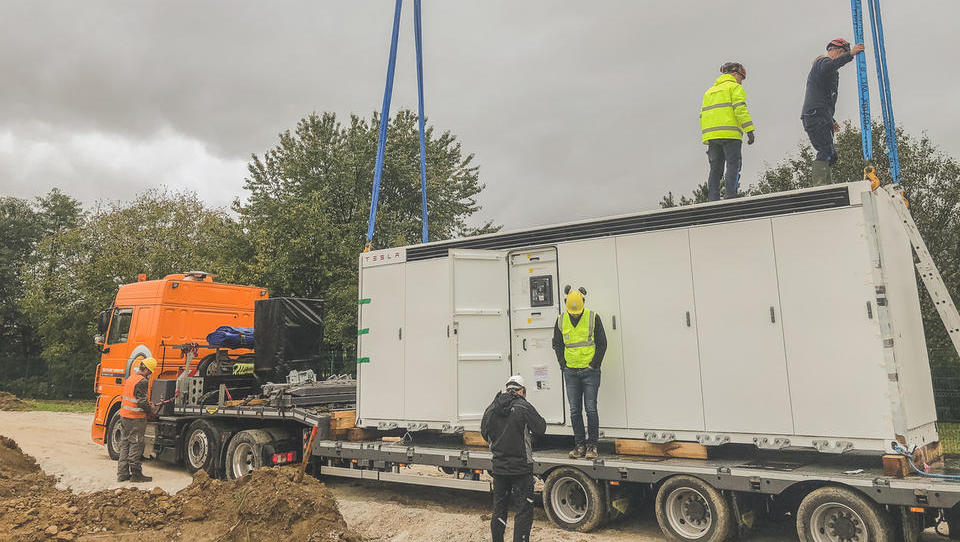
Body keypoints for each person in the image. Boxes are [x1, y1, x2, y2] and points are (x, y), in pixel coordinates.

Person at [481, 375, 547, 542]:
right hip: (521, 468)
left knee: (499, 510)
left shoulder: (492, 408)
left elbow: (484, 432)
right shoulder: (523, 406)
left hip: (499, 468)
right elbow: (540, 428)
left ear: (506, 389)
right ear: (522, 391)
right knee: (523, 511)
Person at [801, 38, 866, 185]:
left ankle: (826, 185)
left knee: (831, 154)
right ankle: (820, 185)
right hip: (816, 115)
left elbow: (824, 98)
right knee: (825, 150)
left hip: (821, 115)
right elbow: (829, 66)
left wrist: (831, 119)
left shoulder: (828, 73)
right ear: (837, 51)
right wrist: (851, 54)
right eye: (843, 53)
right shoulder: (823, 62)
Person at [552, 286, 606, 460]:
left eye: (577, 312)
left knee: (591, 409)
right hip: (571, 372)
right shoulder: (561, 320)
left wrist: (593, 365)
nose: (575, 315)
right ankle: (580, 445)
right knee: (575, 411)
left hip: (590, 372)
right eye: (572, 313)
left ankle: (592, 446)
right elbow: (557, 344)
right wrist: (563, 365)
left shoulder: (593, 317)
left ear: (583, 303)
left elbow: (602, 344)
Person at [700, 62, 755, 201]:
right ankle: (731, 196)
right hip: (731, 135)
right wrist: (749, 130)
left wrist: (707, 136)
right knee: (733, 165)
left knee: (715, 169)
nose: (741, 81)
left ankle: (713, 198)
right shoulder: (735, 88)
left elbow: (702, 115)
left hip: (712, 137)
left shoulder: (709, 92)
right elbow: (740, 109)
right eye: (741, 78)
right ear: (735, 74)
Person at [117, 357, 156, 483]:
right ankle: (136, 475)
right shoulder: (142, 381)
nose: (150, 374)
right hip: (135, 418)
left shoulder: (131, 378)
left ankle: (122, 474)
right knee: (136, 444)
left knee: (125, 444)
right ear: (148, 370)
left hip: (124, 416)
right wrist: (151, 409)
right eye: (150, 372)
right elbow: (142, 402)